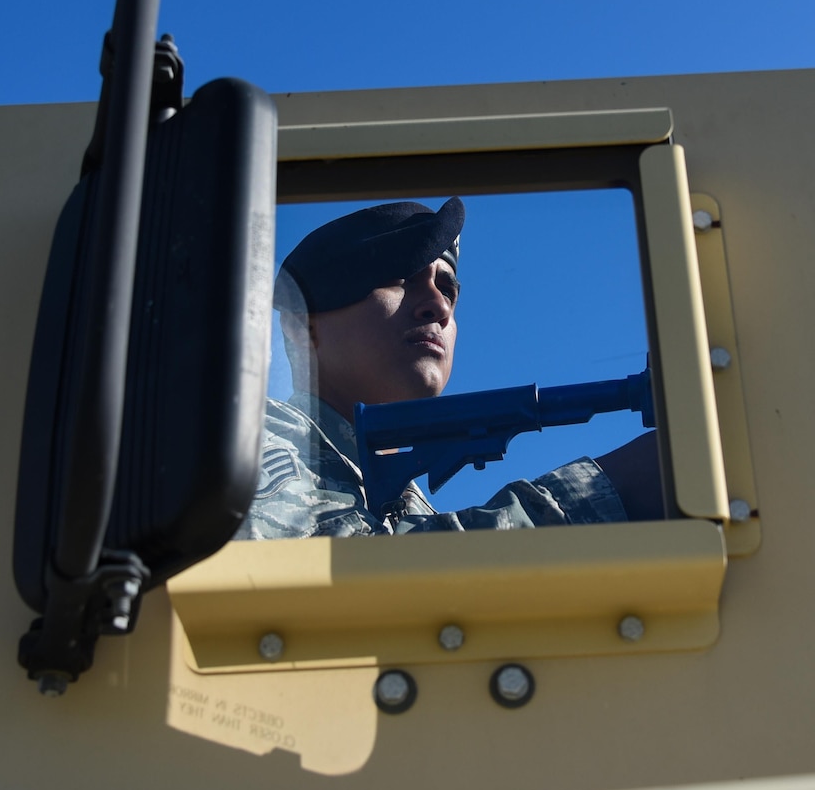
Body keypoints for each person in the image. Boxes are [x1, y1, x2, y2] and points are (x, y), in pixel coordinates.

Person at [234, 197, 662, 540]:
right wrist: (611, 488)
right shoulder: (251, 441)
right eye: (400, 279)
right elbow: (347, 586)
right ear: (300, 325)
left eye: (447, 289)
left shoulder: (391, 492)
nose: (438, 306)